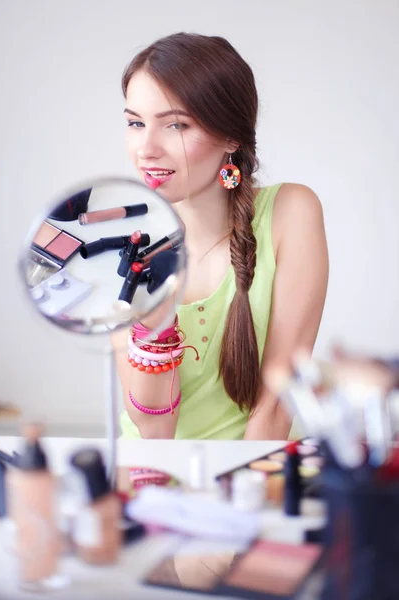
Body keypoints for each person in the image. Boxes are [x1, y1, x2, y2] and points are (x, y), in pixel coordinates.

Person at [113, 32, 329, 440]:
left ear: (231, 136)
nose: (146, 148)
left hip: (254, 477)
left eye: (175, 124)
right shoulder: (124, 245)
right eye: (135, 123)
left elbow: (276, 405)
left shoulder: (290, 213)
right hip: (149, 478)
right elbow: (154, 430)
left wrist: (237, 498)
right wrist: (152, 331)